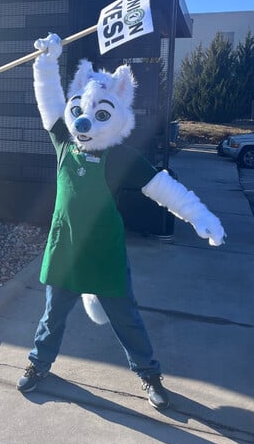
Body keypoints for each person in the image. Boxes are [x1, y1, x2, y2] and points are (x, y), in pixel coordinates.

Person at [18, 33, 225, 410]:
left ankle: (148, 374)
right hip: (65, 248)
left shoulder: (120, 157)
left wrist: (198, 215)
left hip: (105, 253)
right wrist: (46, 61)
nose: (84, 121)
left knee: (126, 319)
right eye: (81, 109)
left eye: (99, 115)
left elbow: (162, 187)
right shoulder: (64, 142)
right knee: (52, 316)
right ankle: (38, 363)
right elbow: (48, 99)